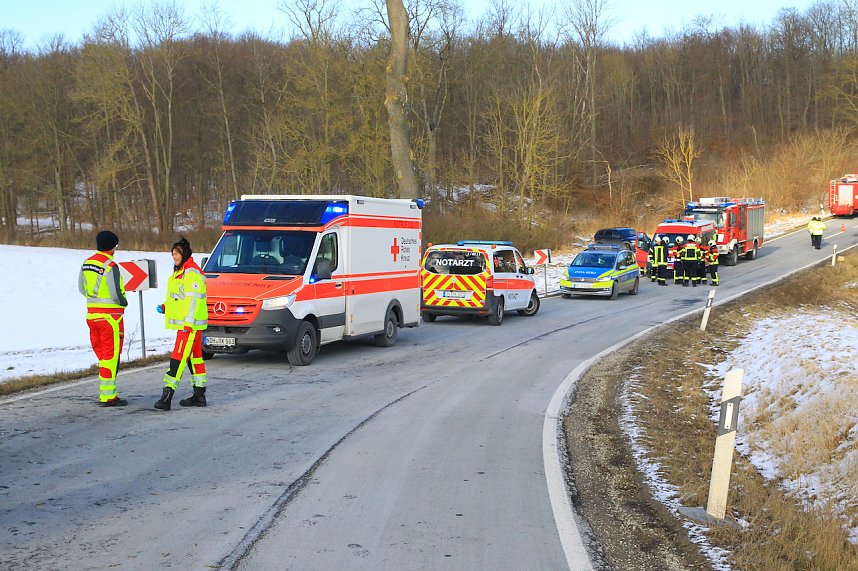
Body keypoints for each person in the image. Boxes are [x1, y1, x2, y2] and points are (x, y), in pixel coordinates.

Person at [154, 237, 209, 411]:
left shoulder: (191, 272)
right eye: (172, 253)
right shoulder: (182, 271)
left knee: (177, 359)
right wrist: (166, 306)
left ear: (185, 254)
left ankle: (167, 396)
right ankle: (199, 395)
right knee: (195, 359)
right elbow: (180, 298)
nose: (174, 256)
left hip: (189, 326)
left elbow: (193, 301)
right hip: (189, 325)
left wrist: (188, 324)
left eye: (177, 253)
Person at [79, 230, 129, 407]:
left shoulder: (87, 263)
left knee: (102, 356)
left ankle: (105, 393)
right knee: (110, 356)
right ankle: (108, 396)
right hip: (110, 318)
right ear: (112, 246)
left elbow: (81, 288)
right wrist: (124, 302)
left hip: (92, 316)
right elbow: (117, 293)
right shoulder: (111, 266)